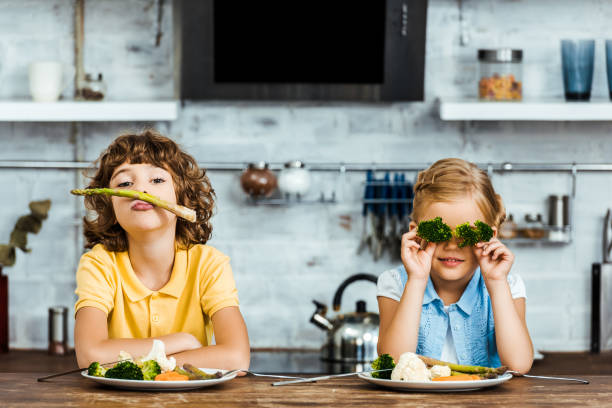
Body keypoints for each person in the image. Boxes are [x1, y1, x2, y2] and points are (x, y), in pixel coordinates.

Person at [73, 129, 250, 371]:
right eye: (125, 183)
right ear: (110, 207)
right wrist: (178, 342)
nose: (140, 190)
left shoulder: (209, 265)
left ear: (182, 199)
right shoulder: (98, 264)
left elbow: (236, 359)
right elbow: (90, 356)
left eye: (157, 180)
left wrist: (148, 361)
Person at [376, 158, 533, 373]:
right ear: (415, 233)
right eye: (437, 233)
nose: (452, 245)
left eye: (467, 235)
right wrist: (417, 280)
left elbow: (519, 365)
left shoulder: (508, 286)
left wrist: (496, 283)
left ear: (490, 237)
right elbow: (392, 364)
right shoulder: (395, 283)